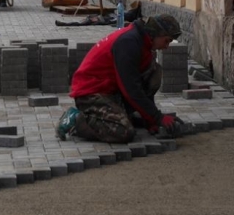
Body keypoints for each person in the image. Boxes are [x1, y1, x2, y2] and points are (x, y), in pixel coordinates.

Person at [56, 14, 183, 143]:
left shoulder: (145, 44)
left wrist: (151, 120)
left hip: (111, 90)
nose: (166, 46)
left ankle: (122, 115)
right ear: (156, 33)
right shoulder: (129, 42)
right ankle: (76, 120)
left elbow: (141, 84)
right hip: (90, 93)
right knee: (123, 131)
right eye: (166, 40)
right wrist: (157, 117)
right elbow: (131, 89)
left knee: (154, 71)